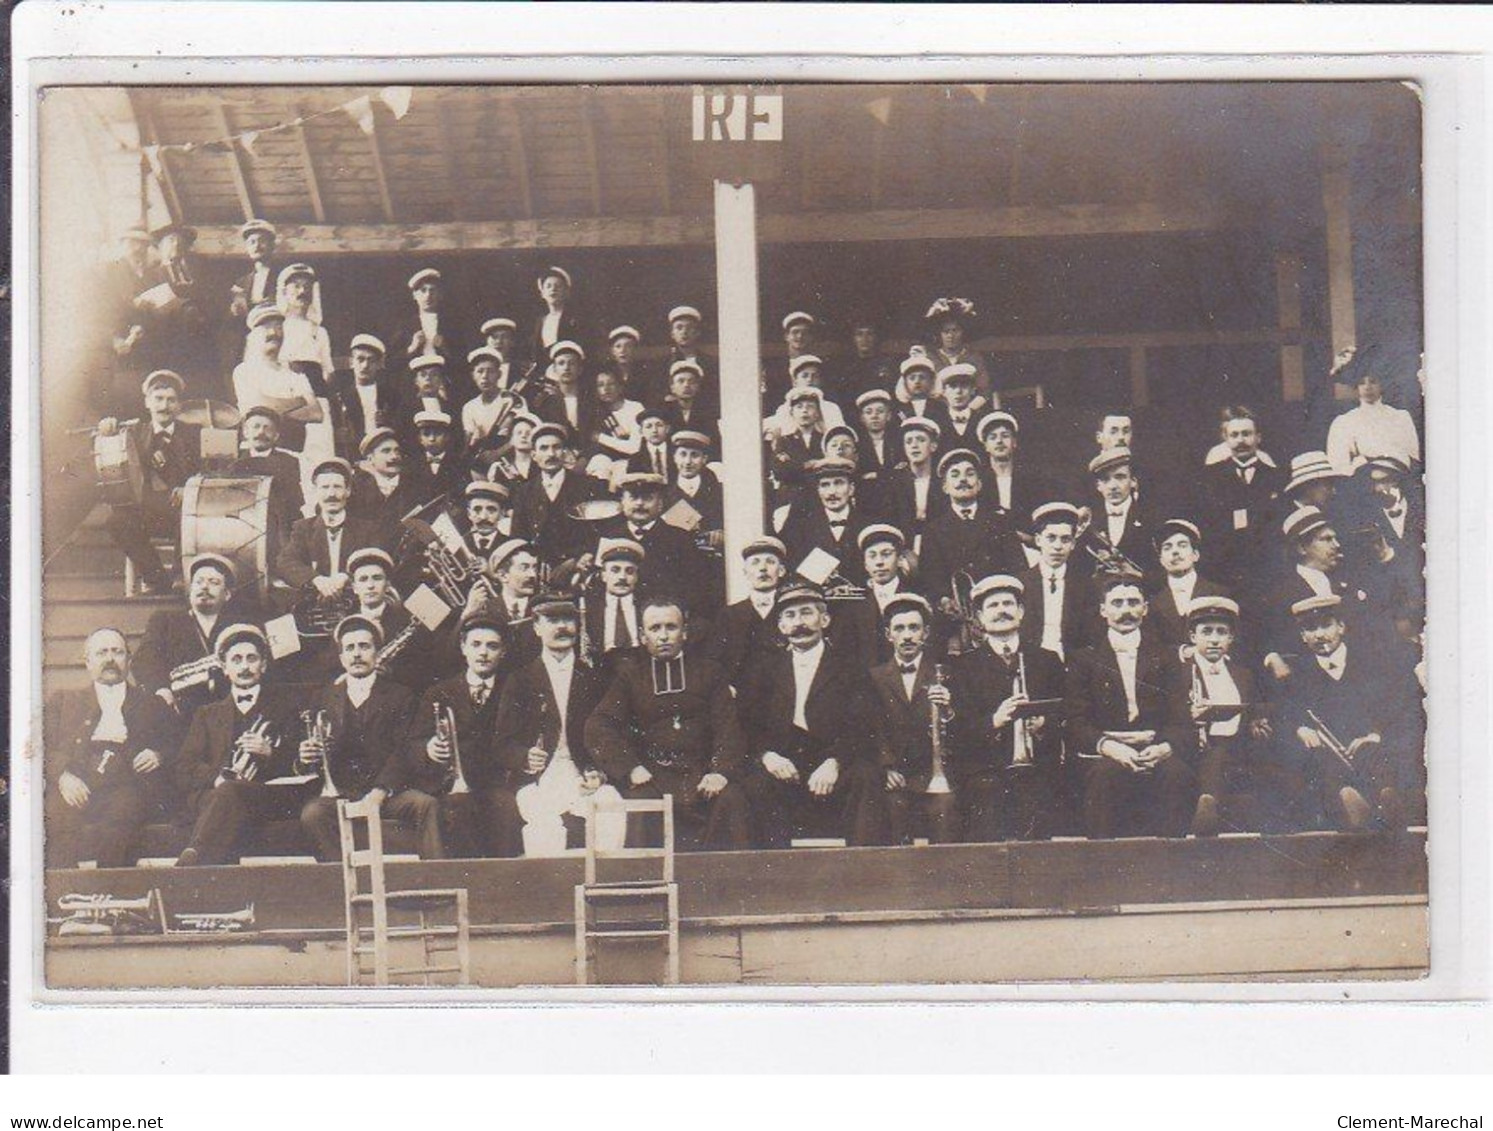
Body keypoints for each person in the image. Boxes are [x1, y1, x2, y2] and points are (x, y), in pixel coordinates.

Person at [585, 595, 753, 850]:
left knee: (733, 800)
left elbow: (728, 728)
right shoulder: (630, 676)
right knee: (641, 806)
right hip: (652, 777)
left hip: (703, 775)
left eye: (671, 627)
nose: (663, 636)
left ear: (684, 632)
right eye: (655, 629)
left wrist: (720, 772)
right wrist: (631, 768)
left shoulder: (710, 671)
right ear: (643, 636)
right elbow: (598, 725)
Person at [738, 582, 882, 848]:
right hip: (782, 765)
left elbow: (863, 725)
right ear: (780, 625)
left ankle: (865, 873)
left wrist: (835, 762)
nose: (799, 623)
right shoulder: (763, 669)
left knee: (866, 777)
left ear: (824, 619)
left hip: (832, 765)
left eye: (806, 613)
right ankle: (777, 880)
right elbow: (748, 724)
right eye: (790, 616)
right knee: (755, 786)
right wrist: (768, 757)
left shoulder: (850, 667)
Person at [1063, 573, 1195, 839]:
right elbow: (1076, 722)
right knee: (1103, 778)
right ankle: (1105, 867)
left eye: (1133, 602)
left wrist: (1162, 748)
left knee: (1177, 775)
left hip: (1155, 751)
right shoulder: (1083, 660)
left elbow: (1181, 719)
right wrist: (1112, 748)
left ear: (1145, 608)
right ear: (1103, 610)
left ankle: (1173, 867)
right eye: (1117, 603)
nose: (1126, 610)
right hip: (1107, 754)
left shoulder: (1167, 656)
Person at [296, 615, 438, 861]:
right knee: (313, 814)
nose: (357, 654)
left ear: (377, 653)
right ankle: (344, 880)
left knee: (426, 804)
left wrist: (379, 792)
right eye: (349, 648)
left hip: (388, 794)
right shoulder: (323, 698)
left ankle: (434, 881)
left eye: (364, 646)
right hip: (341, 794)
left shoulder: (401, 695)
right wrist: (306, 755)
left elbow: (405, 750)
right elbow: (313, 756)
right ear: (341, 657)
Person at [1273, 595, 1419, 832]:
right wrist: (1301, 728)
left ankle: (1388, 801)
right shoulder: (1298, 674)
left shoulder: (1371, 663)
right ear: (1303, 636)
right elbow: (1288, 711)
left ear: (1341, 626)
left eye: (1326, 625)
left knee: (1378, 761)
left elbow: (1395, 708)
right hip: (1327, 751)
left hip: (1366, 745)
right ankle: (1351, 806)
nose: (1319, 634)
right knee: (1324, 770)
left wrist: (1375, 734)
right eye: (1310, 628)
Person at [495, 592, 625, 856]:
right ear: (536, 627)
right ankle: (549, 894)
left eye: (568, 619)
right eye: (552, 620)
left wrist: (598, 772)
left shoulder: (593, 678)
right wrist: (524, 757)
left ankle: (604, 889)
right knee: (544, 825)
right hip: (538, 780)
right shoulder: (519, 680)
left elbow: (608, 736)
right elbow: (502, 744)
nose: (562, 626)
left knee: (611, 804)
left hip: (582, 777)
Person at [948, 575, 1066, 843]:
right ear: (979, 616)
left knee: (1038, 804)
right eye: (992, 605)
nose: (1001, 610)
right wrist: (994, 721)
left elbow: (1066, 713)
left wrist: (1044, 725)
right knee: (986, 805)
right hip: (987, 771)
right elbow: (958, 730)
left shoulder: (1046, 660)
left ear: (1021, 612)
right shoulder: (964, 667)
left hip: (1038, 767)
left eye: (1008, 603)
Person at [173, 624, 303, 866]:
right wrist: (217, 778)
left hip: (267, 798)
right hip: (218, 796)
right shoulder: (207, 714)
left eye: (251, 659)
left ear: (263, 666)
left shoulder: (286, 708)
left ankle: (192, 862)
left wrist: (270, 752)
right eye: (236, 659)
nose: (244, 667)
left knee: (228, 794)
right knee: (226, 793)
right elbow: (184, 768)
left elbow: (303, 765)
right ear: (225, 668)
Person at [45, 628, 174, 868]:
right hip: (76, 779)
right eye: (101, 652)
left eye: (117, 652)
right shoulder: (63, 701)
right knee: (55, 818)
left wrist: (159, 755)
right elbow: (42, 747)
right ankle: (65, 896)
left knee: (122, 820)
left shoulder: (152, 703)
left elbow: (178, 745)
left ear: (129, 659)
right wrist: (63, 777)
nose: (110, 659)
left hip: (127, 783)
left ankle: (110, 898)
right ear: (87, 661)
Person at [402, 614, 524, 858]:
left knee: (506, 808)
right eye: (476, 645)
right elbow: (413, 743)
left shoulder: (515, 689)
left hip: (495, 784)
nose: (484, 653)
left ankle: (503, 884)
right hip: (450, 787)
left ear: (503, 652)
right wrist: (429, 748)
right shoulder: (438, 692)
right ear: (463, 648)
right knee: (457, 807)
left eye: (492, 646)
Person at [97, 368, 201, 595]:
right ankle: (156, 578)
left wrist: (190, 489)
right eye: (159, 399)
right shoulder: (132, 432)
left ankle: (180, 576)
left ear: (180, 405)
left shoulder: (195, 434)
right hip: (145, 508)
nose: (164, 406)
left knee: (194, 516)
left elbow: (211, 470)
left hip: (183, 508)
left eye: (171, 400)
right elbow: (109, 451)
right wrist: (107, 430)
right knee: (117, 522)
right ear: (147, 403)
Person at [868, 593, 959, 845]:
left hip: (934, 773)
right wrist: (886, 767)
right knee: (891, 810)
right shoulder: (874, 677)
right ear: (889, 635)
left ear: (926, 633)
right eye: (899, 628)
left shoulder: (946, 674)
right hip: (895, 774)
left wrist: (948, 709)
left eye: (914, 627)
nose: (907, 635)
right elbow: (872, 728)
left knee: (945, 807)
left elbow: (962, 729)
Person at [1182, 597, 1271, 837]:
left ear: (1231, 638)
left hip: (1239, 747)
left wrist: (1256, 722)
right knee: (1218, 754)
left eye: (1221, 632)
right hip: (1199, 747)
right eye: (1206, 631)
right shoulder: (1181, 671)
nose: (1213, 639)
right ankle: (1207, 806)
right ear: (1193, 636)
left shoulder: (1243, 674)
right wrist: (1189, 715)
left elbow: (1253, 708)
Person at [132, 553, 245, 720]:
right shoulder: (165, 621)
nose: (204, 587)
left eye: (213, 582)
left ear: (227, 594)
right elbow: (144, 660)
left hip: (229, 714)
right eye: (198, 582)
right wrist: (161, 689)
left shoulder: (239, 627)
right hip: (180, 713)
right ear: (190, 590)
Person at [918, 449, 1025, 620]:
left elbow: (1018, 568)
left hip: (998, 610)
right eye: (955, 475)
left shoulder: (1001, 523)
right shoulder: (933, 531)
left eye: (970, 474)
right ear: (945, 487)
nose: (963, 480)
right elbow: (931, 578)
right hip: (956, 620)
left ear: (979, 484)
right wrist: (944, 601)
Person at [274, 457, 385, 611]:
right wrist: (317, 580)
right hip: (314, 607)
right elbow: (285, 561)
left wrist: (346, 576)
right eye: (325, 487)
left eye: (337, 487)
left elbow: (376, 560)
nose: (331, 494)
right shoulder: (303, 528)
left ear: (348, 491)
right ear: (316, 491)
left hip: (357, 605)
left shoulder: (367, 529)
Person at [1196, 405, 1285, 591]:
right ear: (1225, 439)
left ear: (1258, 437)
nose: (1241, 441)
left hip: (1265, 572)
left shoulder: (1275, 476)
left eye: (1247, 434)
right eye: (1234, 435)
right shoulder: (1209, 477)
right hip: (1223, 572)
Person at [594, 472, 712, 613]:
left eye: (647, 498)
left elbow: (696, 588)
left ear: (660, 503)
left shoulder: (680, 539)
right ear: (622, 503)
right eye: (633, 497)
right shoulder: (610, 538)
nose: (640, 503)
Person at [1325, 344, 1421, 476]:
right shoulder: (1344, 422)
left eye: (1373, 381)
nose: (1367, 387)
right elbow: (1339, 469)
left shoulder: (1400, 417)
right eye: (1362, 383)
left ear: (1382, 384)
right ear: (1356, 386)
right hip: (1362, 487)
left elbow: (1413, 460)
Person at [707, 535, 789, 691]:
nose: (763, 568)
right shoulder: (728, 615)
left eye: (770, 562)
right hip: (743, 702)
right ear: (745, 572)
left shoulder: (789, 611)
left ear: (782, 571)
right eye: (755, 563)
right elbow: (715, 661)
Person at [779, 457, 876, 588]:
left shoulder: (870, 526)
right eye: (825, 485)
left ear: (851, 489)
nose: (832, 492)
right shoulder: (800, 527)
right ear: (818, 490)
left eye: (839, 483)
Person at [508, 422, 596, 566]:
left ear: (565, 452)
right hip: (538, 567)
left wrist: (588, 555)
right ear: (534, 455)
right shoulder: (524, 492)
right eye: (544, 448)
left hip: (578, 566)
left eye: (556, 447)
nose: (551, 454)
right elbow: (518, 537)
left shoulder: (586, 486)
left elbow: (599, 531)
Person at [1018, 502, 1096, 663]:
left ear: (1073, 544)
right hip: (1031, 667)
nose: (1058, 547)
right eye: (1051, 538)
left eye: (1065, 539)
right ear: (1038, 540)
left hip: (1072, 669)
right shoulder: (1020, 584)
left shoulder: (1086, 587)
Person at [1146, 519, 1234, 654]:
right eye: (1167, 547)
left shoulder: (1220, 593)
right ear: (1161, 560)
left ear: (1195, 555)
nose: (1175, 552)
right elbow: (1152, 647)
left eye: (1182, 545)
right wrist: (1183, 651)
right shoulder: (1153, 602)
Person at [229, 406, 305, 546]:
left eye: (267, 428)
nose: (261, 432)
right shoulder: (234, 464)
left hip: (278, 530)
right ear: (245, 432)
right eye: (256, 427)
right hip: (243, 528)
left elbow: (294, 503)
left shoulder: (289, 462)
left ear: (276, 436)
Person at [1080, 447, 1154, 579]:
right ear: (1098, 486)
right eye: (1106, 479)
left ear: (1133, 482)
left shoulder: (1150, 517)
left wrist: (1140, 576)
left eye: (1120, 477)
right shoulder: (1088, 521)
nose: (1113, 486)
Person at [975, 411, 1050, 533]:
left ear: (1014, 442)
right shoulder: (980, 481)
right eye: (993, 437)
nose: (999, 441)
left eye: (1005, 436)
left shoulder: (1032, 480)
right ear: (986, 446)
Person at [330, 334, 399, 458]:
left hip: (384, 454)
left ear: (378, 364)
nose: (365, 365)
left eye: (371, 360)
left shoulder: (390, 395)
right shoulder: (340, 397)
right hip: (352, 454)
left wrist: (387, 422)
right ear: (351, 362)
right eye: (360, 359)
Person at [582, 537, 646, 665]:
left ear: (637, 577)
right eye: (615, 570)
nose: (622, 577)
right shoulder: (588, 608)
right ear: (604, 575)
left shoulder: (647, 608)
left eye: (629, 571)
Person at [461, 345, 527, 466]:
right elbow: (469, 441)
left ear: (499, 374)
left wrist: (497, 453)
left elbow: (524, 434)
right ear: (473, 375)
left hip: (512, 461)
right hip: (481, 463)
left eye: (490, 371)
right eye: (480, 371)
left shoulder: (513, 400)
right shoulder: (469, 407)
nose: (485, 376)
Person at [885, 415, 942, 553]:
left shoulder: (942, 481)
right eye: (908, 441)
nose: (914, 446)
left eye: (921, 440)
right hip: (903, 548)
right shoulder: (894, 481)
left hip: (939, 546)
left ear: (933, 446)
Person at [923, 296, 993, 401]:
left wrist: (969, 410)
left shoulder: (973, 357)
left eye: (955, 330)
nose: (950, 336)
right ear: (940, 334)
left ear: (962, 332)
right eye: (946, 332)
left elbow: (984, 390)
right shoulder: (930, 358)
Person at [392, 267, 462, 370]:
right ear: (415, 295)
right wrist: (412, 347)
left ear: (440, 295)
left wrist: (444, 347)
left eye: (432, 290)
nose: (428, 295)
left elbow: (462, 358)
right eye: (423, 290)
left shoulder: (451, 324)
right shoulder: (405, 325)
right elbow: (392, 359)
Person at [535, 340, 597, 437]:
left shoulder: (591, 400)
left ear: (580, 369)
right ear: (554, 369)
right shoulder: (545, 401)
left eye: (572, 363)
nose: (566, 368)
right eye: (561, 363)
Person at [530, 265, 585, 362]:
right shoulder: (540, 321)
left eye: (558, 286)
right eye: (548, 286)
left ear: (566, 292)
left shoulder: (576, 319)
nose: (553, 289)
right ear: (542, 293)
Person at [936, 364, 983, 452]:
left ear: (973, 390)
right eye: (953, 386)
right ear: (944, 392)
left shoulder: (981, 420)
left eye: (964, 386)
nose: (958, 391)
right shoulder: (937, 421)